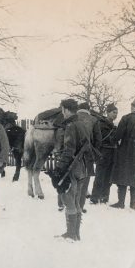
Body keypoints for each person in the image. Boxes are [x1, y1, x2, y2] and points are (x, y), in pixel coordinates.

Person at [51, 99, 90, 241]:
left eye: (63, 110)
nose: (63, 113)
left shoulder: (70, 126)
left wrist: (59, 168)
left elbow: (68, 150)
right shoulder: (83, 124)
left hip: (71, 168)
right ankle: (76, 233)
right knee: (76, 200)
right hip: (81, 167)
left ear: (66, 110)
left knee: (68, 199)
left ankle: (71, 233)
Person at [90, 103, 118, 204]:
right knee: (100, 176)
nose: (115, 115)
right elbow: (100, 138)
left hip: (112, 152)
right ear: (108, 113)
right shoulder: (101, 124)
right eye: (113, 112)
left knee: (109, 176)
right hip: (103, 152)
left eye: (116, 113)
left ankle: (104, 197)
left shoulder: (114, 126)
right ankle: (94, 198)